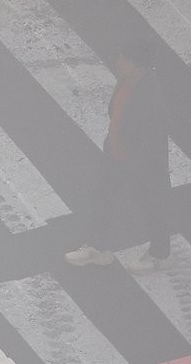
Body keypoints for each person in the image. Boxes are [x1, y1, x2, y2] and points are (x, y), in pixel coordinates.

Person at [65, 37, 173, 275]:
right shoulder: (126, 82)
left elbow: (151, 140)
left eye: (123, 59)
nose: (117, 62)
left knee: (152, 206)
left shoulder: (151, 95)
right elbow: (116, 114)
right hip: (115, 154)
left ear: (137, 64)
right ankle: (99, 248)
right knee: (101, 198)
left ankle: (160, 255)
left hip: (141, 164)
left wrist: (139, 167)